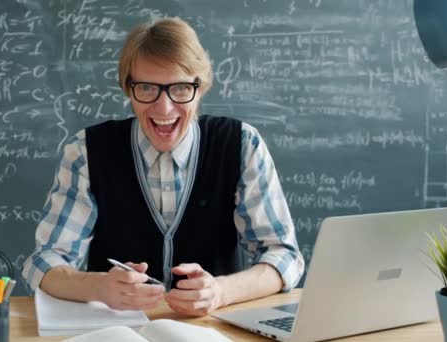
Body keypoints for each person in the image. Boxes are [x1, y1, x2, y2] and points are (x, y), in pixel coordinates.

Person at [22, 17, 304, 316]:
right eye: (146, 88)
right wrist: (98, 287)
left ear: (200, 86)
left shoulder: (242, 145)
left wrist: (221, 292)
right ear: (128, 88)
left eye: (181, 89)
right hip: (116, 333)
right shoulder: (86, 151)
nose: (164, 108)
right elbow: (45, 263)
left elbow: (283, 255)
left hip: (214, 331)